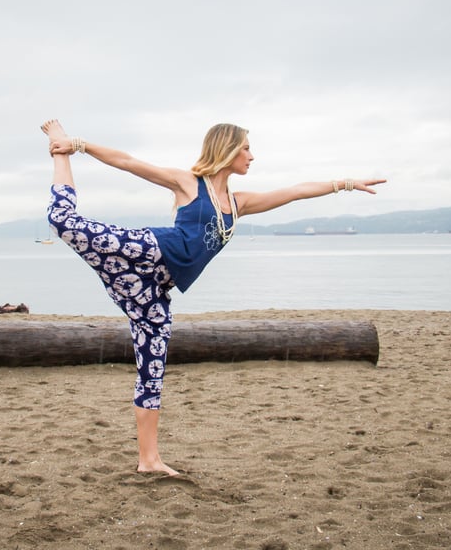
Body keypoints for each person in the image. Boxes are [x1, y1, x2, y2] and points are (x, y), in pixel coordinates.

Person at [41, 119, 386, 476]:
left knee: (153, 368)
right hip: (148, 251)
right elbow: (129, 162)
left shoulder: (239, 204)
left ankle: (149, 460)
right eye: (247, 148)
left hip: (155, 289)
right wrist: (78, 145)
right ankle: (59, 146)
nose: (252, 156)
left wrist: (344, 184)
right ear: (228, 149)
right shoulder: (189, 183)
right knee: (62, 221)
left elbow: (296, 191)